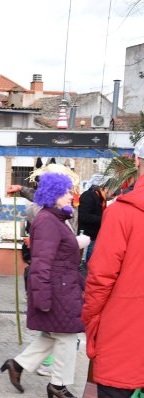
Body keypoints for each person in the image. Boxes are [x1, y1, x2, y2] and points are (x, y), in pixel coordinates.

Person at [0, 173, 88, 398]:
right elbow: (42, 262)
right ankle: (58, 385)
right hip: (58, 289)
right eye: (67, 192)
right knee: (67, 336)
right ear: (54, 194)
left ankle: (17, 365)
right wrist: (41, 297)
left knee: (53, 334)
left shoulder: (56, 218)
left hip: (63, 286)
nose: (71, 196)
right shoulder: (48, 220)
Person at [81, 138, 144, 398]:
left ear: (136, 161)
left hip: (124, 338)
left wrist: (91, 322)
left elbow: (100, 278)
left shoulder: (122, 213)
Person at [77, 182, 106, 266]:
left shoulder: (100, 198)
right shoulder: (88, 196)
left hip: (94, 234)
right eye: (112, 193)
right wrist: (103, 218)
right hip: (85, 234)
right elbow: (84, 216)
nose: (111, 196)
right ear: (105, 189)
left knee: (90, 259)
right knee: (83, 258)